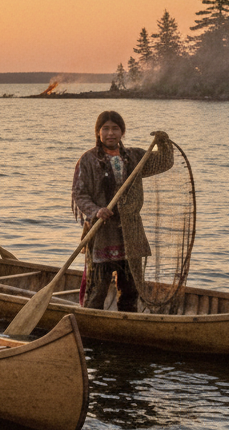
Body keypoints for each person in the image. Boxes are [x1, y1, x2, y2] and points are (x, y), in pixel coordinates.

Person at [71, 110, 173, 312]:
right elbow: (79, 193)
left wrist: (163, 142)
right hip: (102, 231)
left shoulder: (134, 157)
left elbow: (164, 162)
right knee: (97, 289)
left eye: (115, 128)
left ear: (122, 132)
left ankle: (127, 322)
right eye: (106, 129)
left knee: (130, 288)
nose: (110, 133)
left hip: (131, 230)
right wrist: (96, 211)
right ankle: (91, 324)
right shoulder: (88, 160)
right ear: (98, 132)